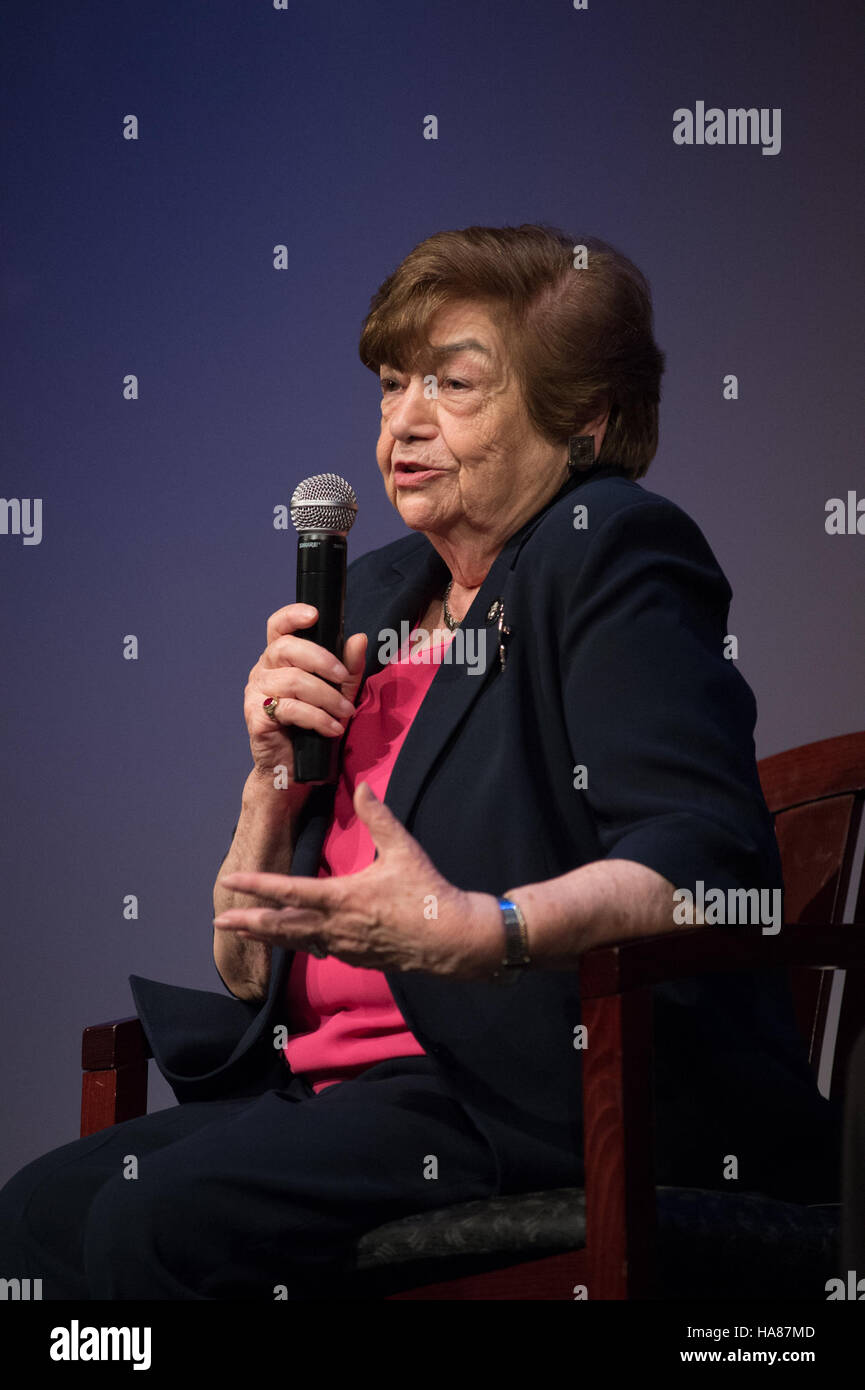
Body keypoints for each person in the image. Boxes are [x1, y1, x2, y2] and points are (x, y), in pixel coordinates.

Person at [0, 224, 842, 1300]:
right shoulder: (378, 592)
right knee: (32, 1221)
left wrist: (478, 931)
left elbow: (709, 870)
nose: (404, 418)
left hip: (520, 1089)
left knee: (155, 1229)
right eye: (394, 382)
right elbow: (249, 967)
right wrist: (268, 781)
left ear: (580, 418)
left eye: (454, 382)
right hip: (334, 1091)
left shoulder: (610, 550)